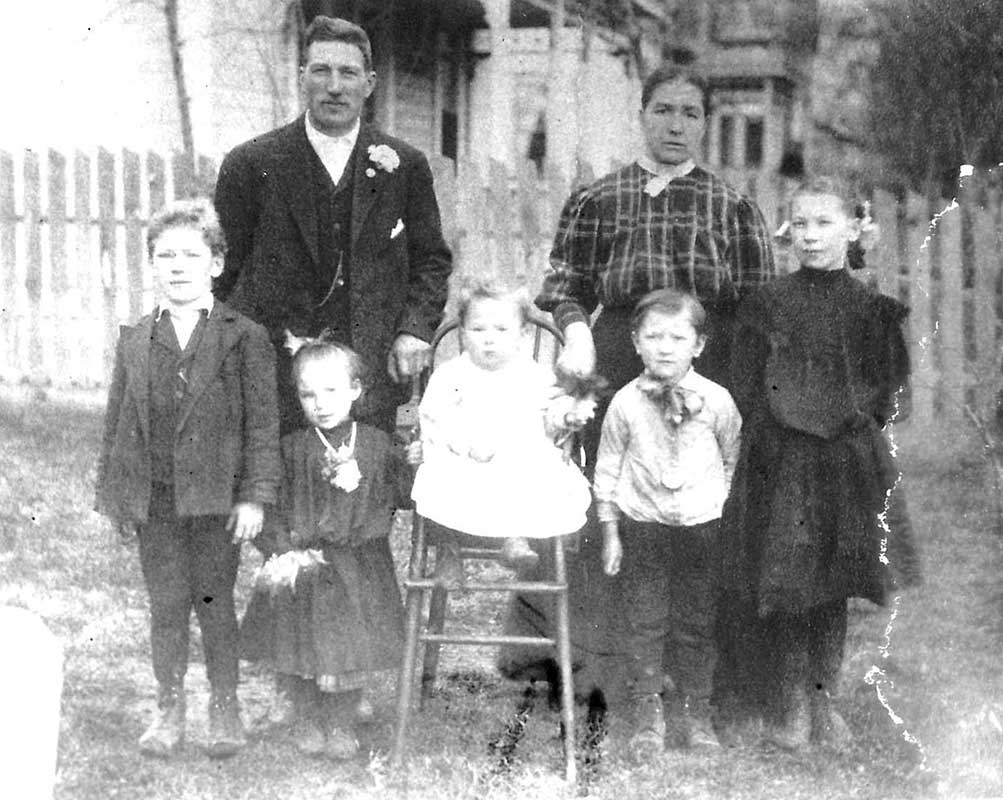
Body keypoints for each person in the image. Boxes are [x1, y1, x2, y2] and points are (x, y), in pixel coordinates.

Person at [502, 62, 775, 702]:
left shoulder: (732, 205)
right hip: (623, 359)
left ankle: (708, 675)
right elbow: (564, 284)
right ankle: (610, 667)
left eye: (690, 113)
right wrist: (574, 329)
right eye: (663, 111)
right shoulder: (601, 198)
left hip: (711, 363)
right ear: (642, 114)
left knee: (706, 509)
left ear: (705, 123)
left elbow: (760, 303)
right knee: (616, 504)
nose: (676, 125)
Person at [722, 176, 913, 750]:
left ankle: (823, 702)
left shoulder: (871, 308)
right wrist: (777, 432)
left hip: (843, 461)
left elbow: (888, 388)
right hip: (781, 460)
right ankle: (787, 708)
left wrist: (850, 433)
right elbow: (746, 380)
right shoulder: (767, 303)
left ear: (853, 229)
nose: (810, 237)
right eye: (799, 224)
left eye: (824, 223)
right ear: (787, 231)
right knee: (786, 580)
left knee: (833, 581)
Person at [94, 199, 281, 759]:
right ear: (151, 264)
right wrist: (117, 497)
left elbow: (262, 424)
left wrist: (254, 497)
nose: (178, 266)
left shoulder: (242, 336)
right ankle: (168, 707)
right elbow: (117, 424)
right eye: (164, 255)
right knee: (165, 605)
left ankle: (225, 707)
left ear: (216, 265)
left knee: (213, 601)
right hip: (156, 501)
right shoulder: (135, 339)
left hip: (215, 502)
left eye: (191, 255)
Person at [213, 15, 452, 435]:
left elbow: (431, 261)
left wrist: (414, 330)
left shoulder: (404, 165)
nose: (335, 86)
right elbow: (222, 273)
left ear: (370, 83)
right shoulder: (251, 164)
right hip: (278, 372)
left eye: (348, 73)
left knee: (369, 488)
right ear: (302, 76)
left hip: (373, 370)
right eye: (321, 70)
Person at [246, 335, 410, 759]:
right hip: (309, 562)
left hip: (358, 563)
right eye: (308, 394)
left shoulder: (375, 443)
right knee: (300, 641)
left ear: (356, 389)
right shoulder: (293, 448)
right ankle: (305, 715)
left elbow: (405, 494)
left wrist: (414, 457)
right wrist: (282, 549)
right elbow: (273, 505)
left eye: (331, 390)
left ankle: (341, 719)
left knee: (349, 643)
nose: (320, 403)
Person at [595, 289, 740, 755]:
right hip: (644, 524)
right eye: (653, 336)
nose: (664, 347)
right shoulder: (624, 404)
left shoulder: (717, 401)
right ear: (635, 342)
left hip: (703, 526)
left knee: (697, 620)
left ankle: (697, 711)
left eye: (678, 337)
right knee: (646, 619)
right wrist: (611, 531)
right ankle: (647, 713)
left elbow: (733, 460)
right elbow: (608, 468)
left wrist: (724, 516)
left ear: (698, 345)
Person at [409, 277, 595, 586]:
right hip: (463, 458)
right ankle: (448, 549)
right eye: (478, 330)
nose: (489, 339)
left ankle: (516, 538)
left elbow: (551, 421)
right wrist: (466, 445)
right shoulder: (451, 374)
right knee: (438, 476)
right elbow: (434, 418)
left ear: (522, 333)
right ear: (463, 332)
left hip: (517, 461)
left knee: (540, 472)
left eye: (501, 330)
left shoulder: (534, 375)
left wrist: (567, 417)